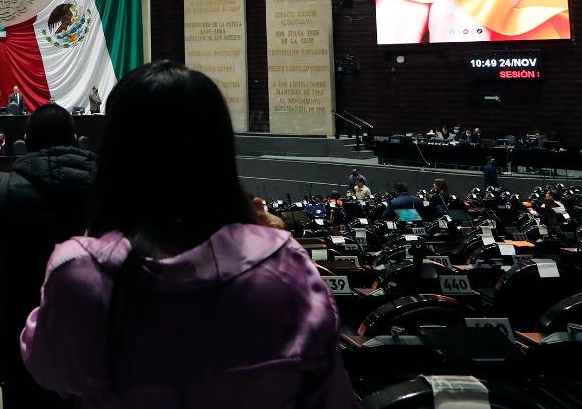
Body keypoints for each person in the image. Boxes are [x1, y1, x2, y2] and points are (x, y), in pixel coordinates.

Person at [19, 62, 353, 407]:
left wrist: (90, 241)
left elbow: (45, 364)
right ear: (219, 148)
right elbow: (331, 396)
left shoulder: (78, 272)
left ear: (117, 152)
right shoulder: (285, 265)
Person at [0, 103, 97, 407]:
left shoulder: (0, 187)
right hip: (93, 329)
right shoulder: (107, 183)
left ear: (26, 141)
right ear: (75, 139)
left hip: (17, 328)